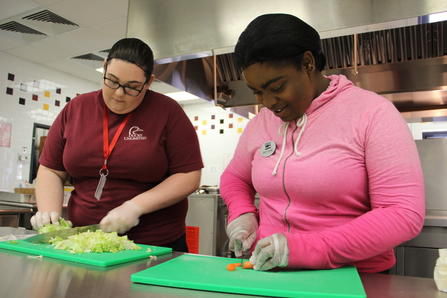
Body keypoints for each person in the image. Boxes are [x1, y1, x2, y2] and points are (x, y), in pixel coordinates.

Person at [220, 13, 425, 272]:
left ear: (307, 64)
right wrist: (242, 214)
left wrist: (308, 249)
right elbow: (234, 177)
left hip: (353, 276)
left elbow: (402, 213)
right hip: (268, 272)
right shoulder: (261, 122)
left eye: (277, 87)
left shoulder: (372, 114)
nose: (268, 103)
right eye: (258, 92)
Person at [30, 38, 203, 251]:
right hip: (85, 242)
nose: (119, 93)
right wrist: (49, 214)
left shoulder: (168, 112)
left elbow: (188, 175)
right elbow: (51, 169)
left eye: (132, 88)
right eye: (112, 80)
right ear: (104, 68)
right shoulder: (76, 108)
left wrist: (135, 206)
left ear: (149, 82)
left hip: (154, 245)